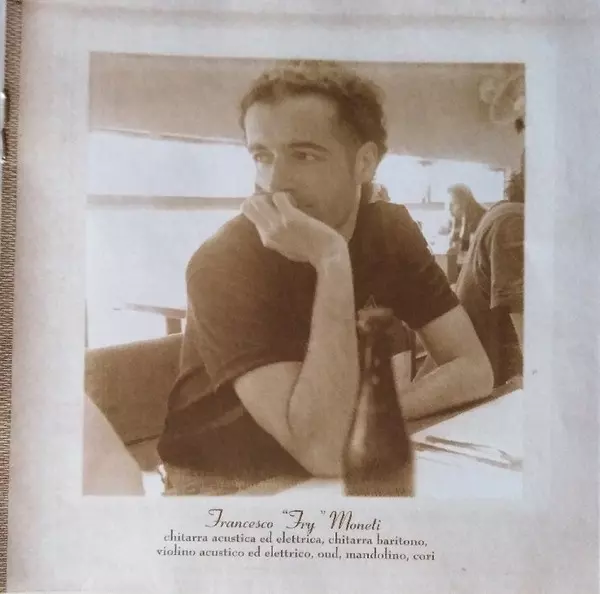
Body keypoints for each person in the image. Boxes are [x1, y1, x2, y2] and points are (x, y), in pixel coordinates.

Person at [156, 60, 493, 495]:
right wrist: (332, 258)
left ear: (364, 163)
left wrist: (372, 418)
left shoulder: (390, 231)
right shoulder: (223, 262)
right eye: (261, 156)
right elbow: (328, 452)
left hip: (333, 453)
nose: (274, 183)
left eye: (304, 155)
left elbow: (474, 369)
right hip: (225, 483)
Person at [418, 168, 525, 390]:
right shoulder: (512, 221)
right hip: (489, 381)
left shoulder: (502, 212)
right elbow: (530, 341)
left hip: (482, 373)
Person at [440, 183, 487, 254]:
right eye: (450, 204)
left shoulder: (481, 217)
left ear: (464, 202)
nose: (450, 208)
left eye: (453, 203)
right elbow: (454, 241)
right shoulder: (459, 216)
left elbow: (466, 247)